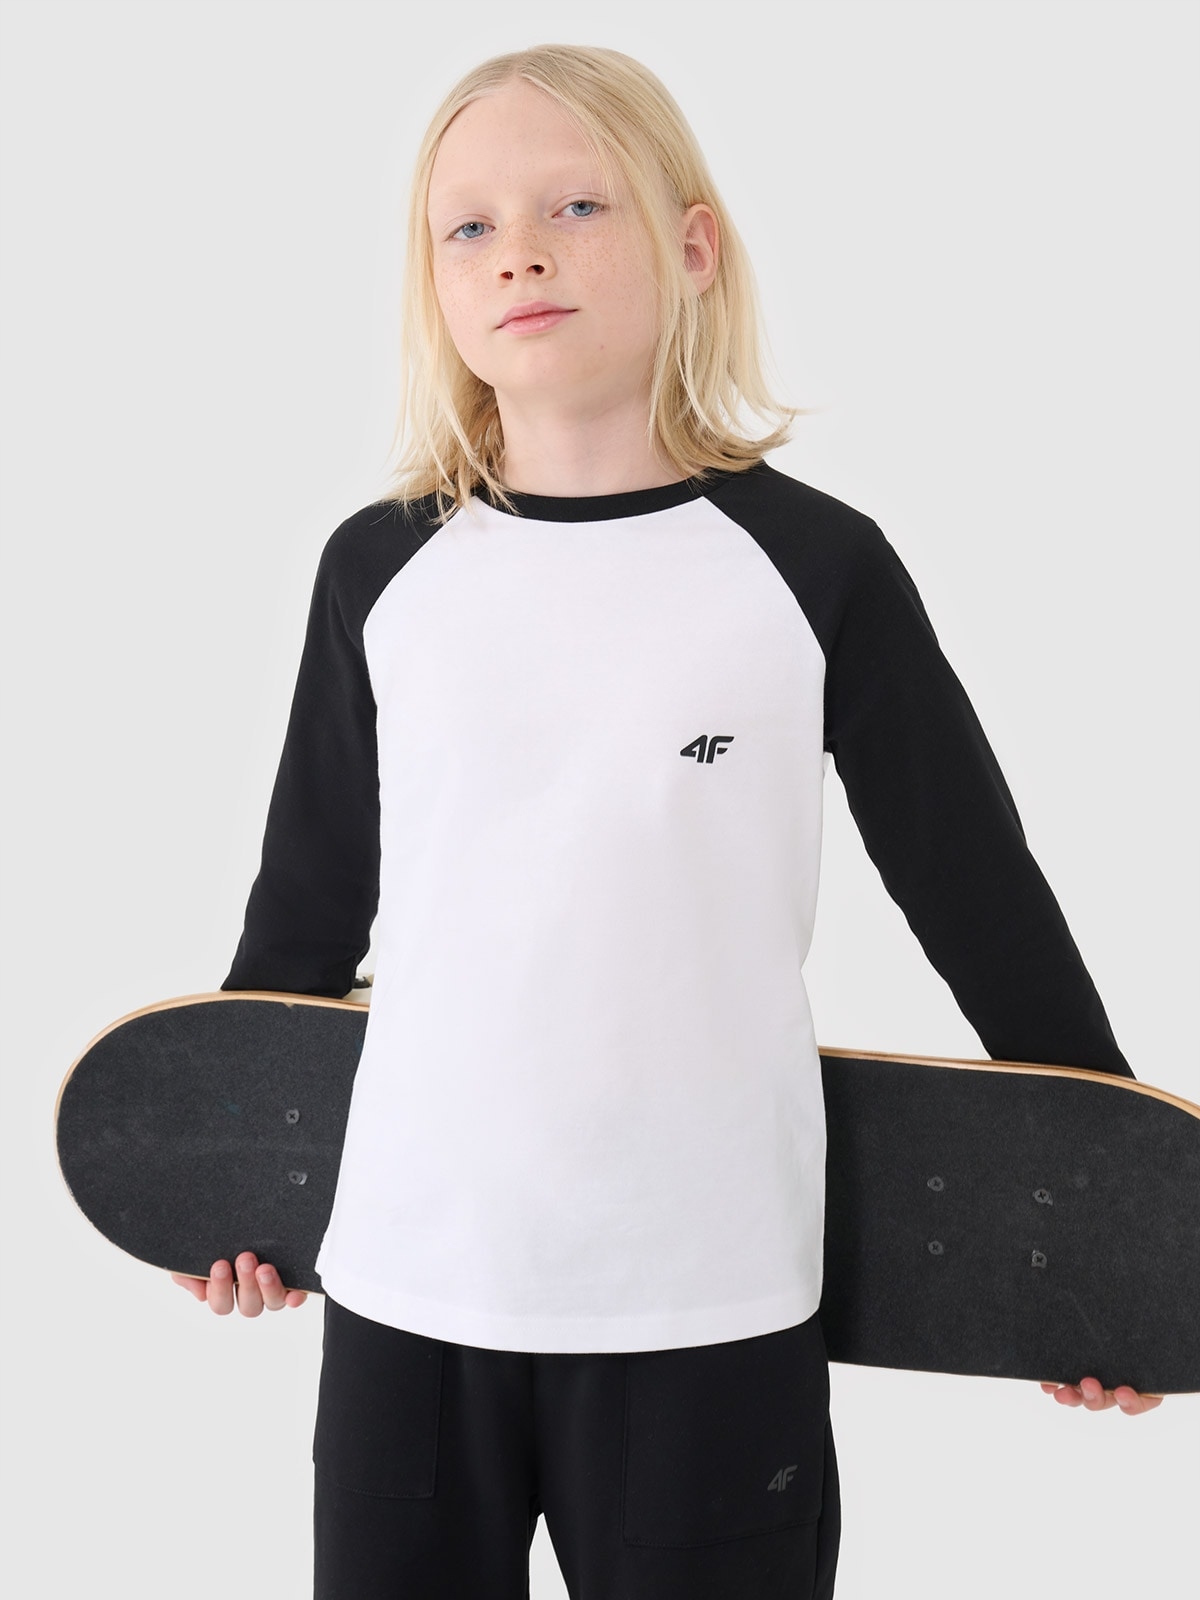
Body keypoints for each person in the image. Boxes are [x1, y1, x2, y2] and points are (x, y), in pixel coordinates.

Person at [170, 42, 1163, 1600]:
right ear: (434, 283)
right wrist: (227, 1177)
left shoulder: (817, 569)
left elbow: (977, 894)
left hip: (710, 1301)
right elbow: (304, 906)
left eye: (576, 205)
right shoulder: (379, 571)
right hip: (410, 1294)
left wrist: (1125, 1216)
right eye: (470, 227)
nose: (522, 252)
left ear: (693, 246)